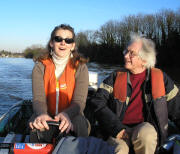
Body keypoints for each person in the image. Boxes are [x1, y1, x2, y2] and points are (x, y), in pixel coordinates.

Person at [90, 33, 180, 154]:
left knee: (146, 135)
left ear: (144, 60)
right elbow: (97, 101)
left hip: (145, 129)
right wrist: (116, 128)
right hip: (118, 130)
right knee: (119, 150)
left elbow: (177, 110)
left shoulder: (161, 79)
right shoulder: (115, 77)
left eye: (131, 53)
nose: (126, 56)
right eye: (126, 52)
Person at [29, 24, 89, 137]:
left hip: (72, 115)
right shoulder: (39, 67)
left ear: (72, 45)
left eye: (68, 40)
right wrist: (42, 114)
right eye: (58, 39)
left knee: (80, 123)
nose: (63, 43)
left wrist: (66, 114)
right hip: (47, 114)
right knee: (35, 125)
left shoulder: (81, 68)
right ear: (52, 43)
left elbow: (79, 101)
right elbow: (38, 99)